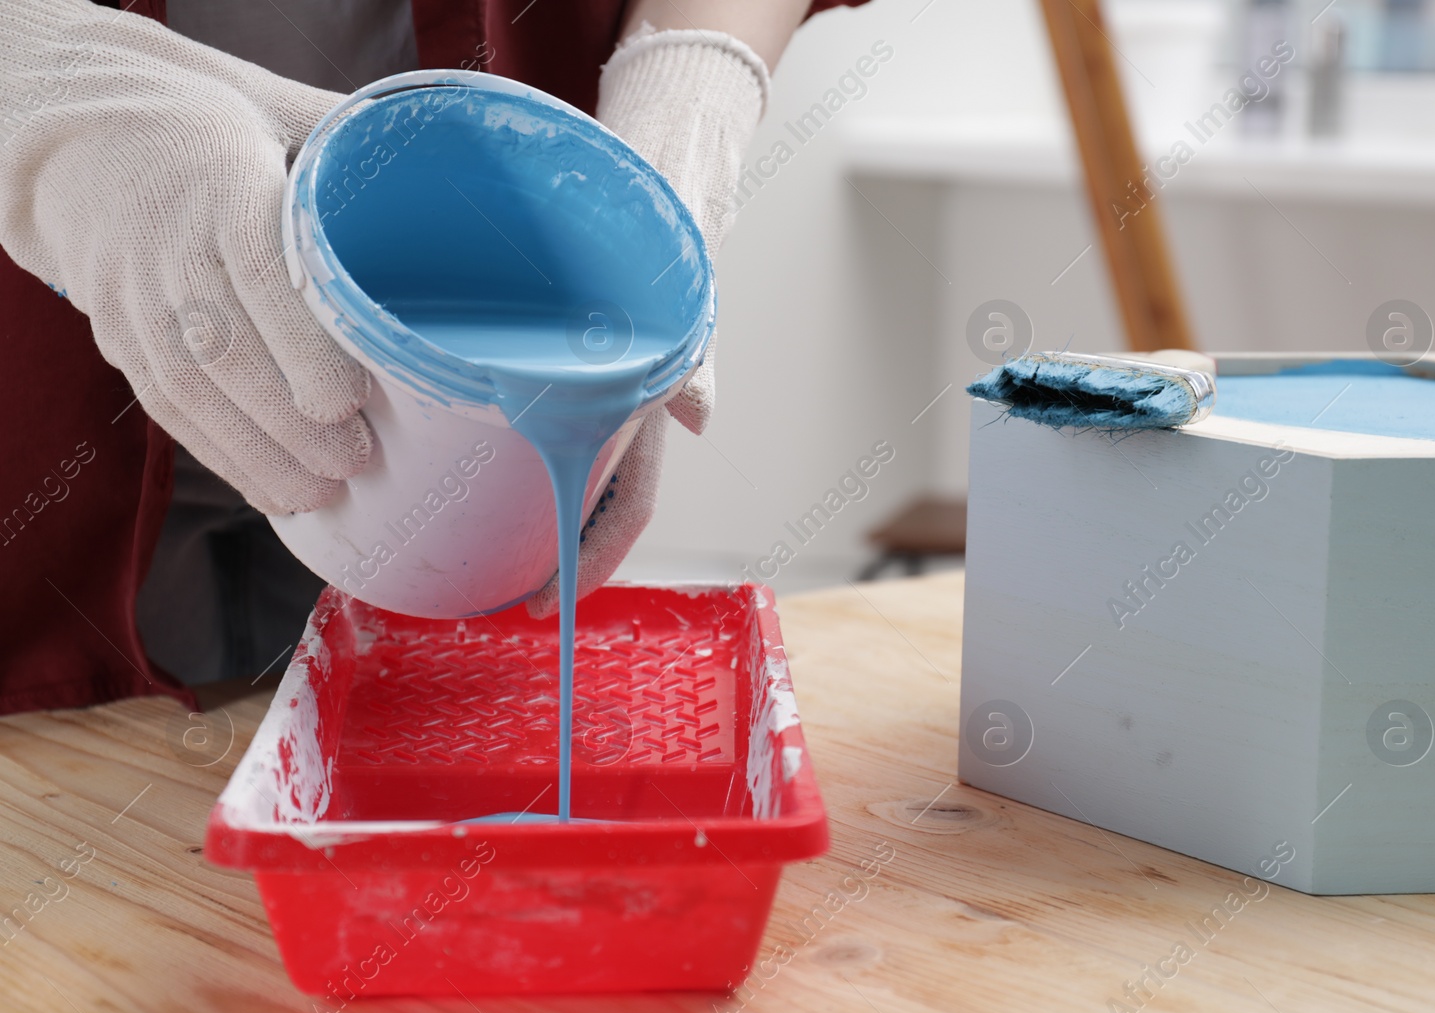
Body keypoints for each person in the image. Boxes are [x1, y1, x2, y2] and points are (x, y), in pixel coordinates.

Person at [0, 0, 864, 713]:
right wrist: (33, 74)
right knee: (90, 809)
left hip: (476, 383)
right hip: (43, 415)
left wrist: (689, 84)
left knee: (399, 773)